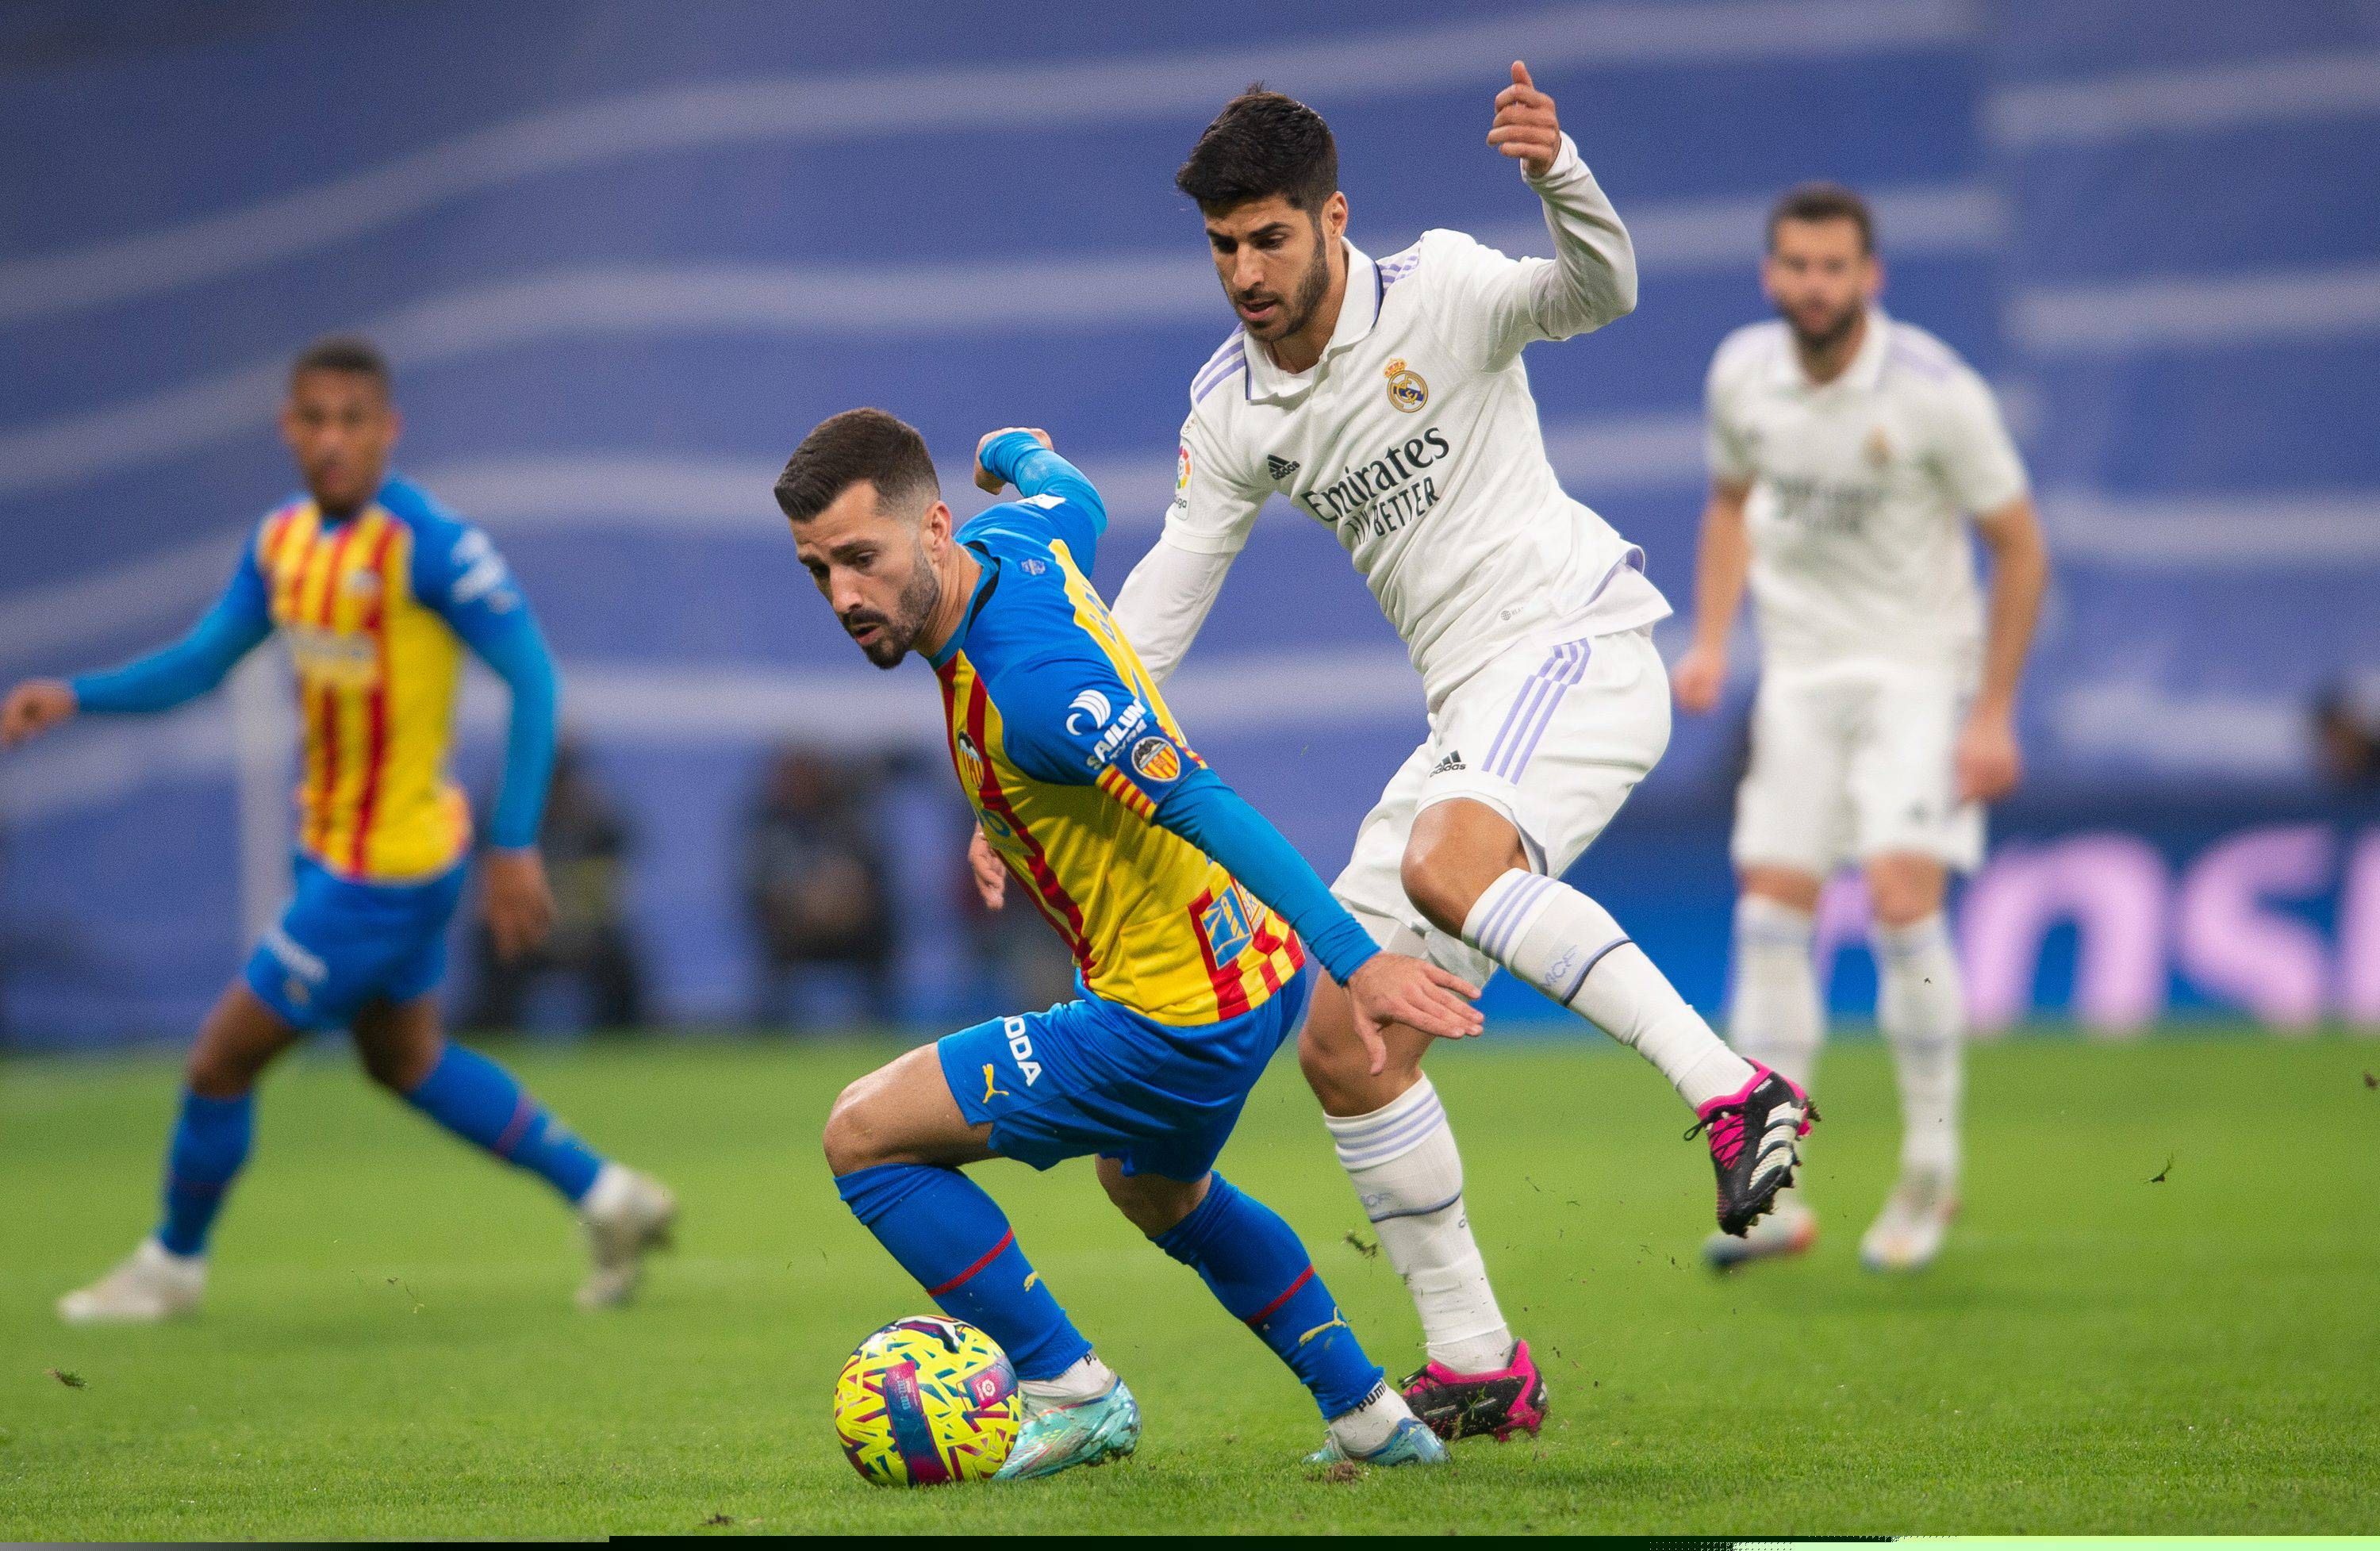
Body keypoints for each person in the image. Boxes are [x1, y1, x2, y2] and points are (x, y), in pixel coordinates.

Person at [1078, 72, 1812, 1442]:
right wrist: (1034, 766)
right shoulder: (1232, 409)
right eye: (1223, 247)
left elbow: (1601, 296)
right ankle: (1478, 1358)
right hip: (1472, 711)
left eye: (1268, 240)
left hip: (1576, 644)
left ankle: (1736, 1087)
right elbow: (1161, 606)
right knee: (1350, 1033)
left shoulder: (1447, 288)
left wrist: (1563, 177)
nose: (1244, 271)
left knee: (1447, 860)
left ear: (1332, 218)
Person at [776, 409, 1484, 1476]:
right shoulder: (1017, 539)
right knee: (1155, 1188)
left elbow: (1200, 800)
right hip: (1248, 977)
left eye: (861, 559)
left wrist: (1361, 957)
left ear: (931, 529)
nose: (843, 596)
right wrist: (1015, 453)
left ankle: (1069, 1385)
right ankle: (1371, 1416)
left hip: (1170, 1017)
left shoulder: (1037, 690)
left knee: (861, 1135)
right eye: (818, 569)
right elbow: (1078, 495)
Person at [2, 336, 675, 1322]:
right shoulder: (281, 543)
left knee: (219, 1059)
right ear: (288, 427)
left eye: (351, 419)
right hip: (334, 855)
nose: (331, 439)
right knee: (406, 1059)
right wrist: (74, 696)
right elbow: (199, 664)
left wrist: (516, 839)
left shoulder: (431, 544)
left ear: (387, 430)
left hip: (387, 871)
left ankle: (171, 1267)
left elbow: (534, 679)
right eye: (313, 419)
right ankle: (608, 1194)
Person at [1672, 183, 2049, 1273]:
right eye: (1796, 264)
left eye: (1835, 266)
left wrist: (1993, 711)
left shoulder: (1936, 391)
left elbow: (2019, 546)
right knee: (1768, 914)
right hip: (1798, 681)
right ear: (1770, 274)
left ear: (1870, 277)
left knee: (1897, 899)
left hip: (1916, 680)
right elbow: (1730, 500)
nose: (1815, 284)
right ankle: (1775, 1196)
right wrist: (1710, 640)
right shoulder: (1742, 375)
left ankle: (1932, 1169)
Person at [465, 735, 648, 1033]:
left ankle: (628, 1040)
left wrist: (579, 929)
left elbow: (611, 884)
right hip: (523, 929)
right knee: (493, 952)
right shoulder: (503, 815)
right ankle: (491, 1032)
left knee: (622, 964)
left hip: (585, 932)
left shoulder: (596, 816)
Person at [742, 746, 895, 1027]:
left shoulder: (845, 821)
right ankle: (772, 1027)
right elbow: (758, 884)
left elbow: (872, 875)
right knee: (774, 933)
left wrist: (844, 898)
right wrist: (805, 902)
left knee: (882, 930)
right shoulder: (768, 825)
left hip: (853, 924)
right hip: (794, 927)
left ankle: (880, 1022)